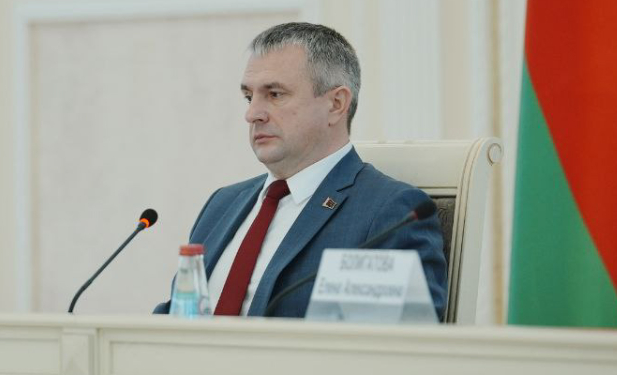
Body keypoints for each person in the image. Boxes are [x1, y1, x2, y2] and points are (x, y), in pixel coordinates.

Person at [156, 22, 447, 319]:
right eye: (249, 97)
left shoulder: (389, 213)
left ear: (336, 104)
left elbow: (397, 340)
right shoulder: (222, 204)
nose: (252, 114)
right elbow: (176, 315)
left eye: (275, 94)